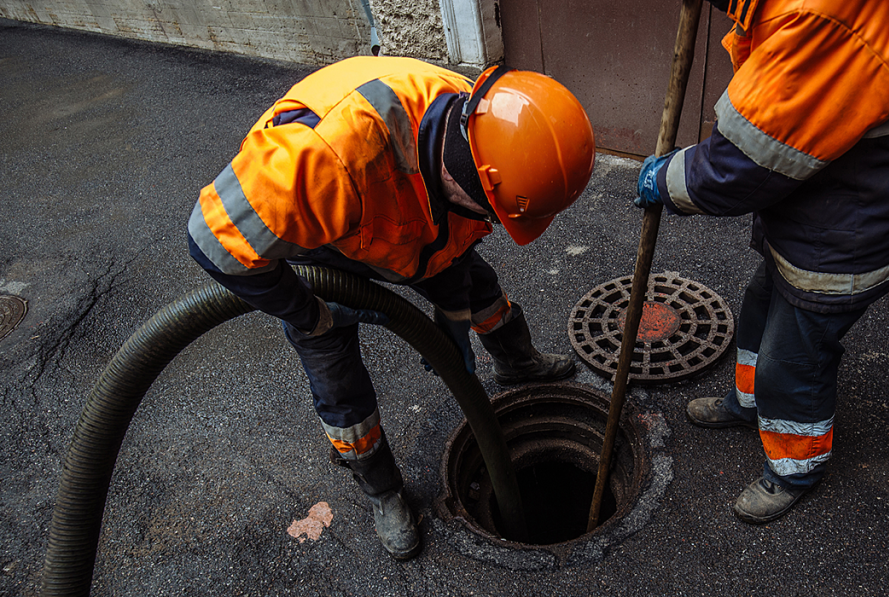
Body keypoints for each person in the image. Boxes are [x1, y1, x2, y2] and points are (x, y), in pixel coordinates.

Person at [188, 57, 595, 558]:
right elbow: (211, 240)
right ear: (471, 177)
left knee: (477, 288)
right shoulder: (323, 158)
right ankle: (382, 490)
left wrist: (453, 327)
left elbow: (457, 248)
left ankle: (517, 362)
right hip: (331, 240)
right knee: (335, 371)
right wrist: (308, 311)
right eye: (495, 211)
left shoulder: (491, 127)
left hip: (413, 220)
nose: (496, 221)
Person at [635, 0, 889, 524]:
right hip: (829, 176)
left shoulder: (843, 13)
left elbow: (743, 161)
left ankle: (795, 466)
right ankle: (749, 402)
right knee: (763, 299)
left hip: (865, 208)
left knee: (796, 354)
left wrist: (669, 180)